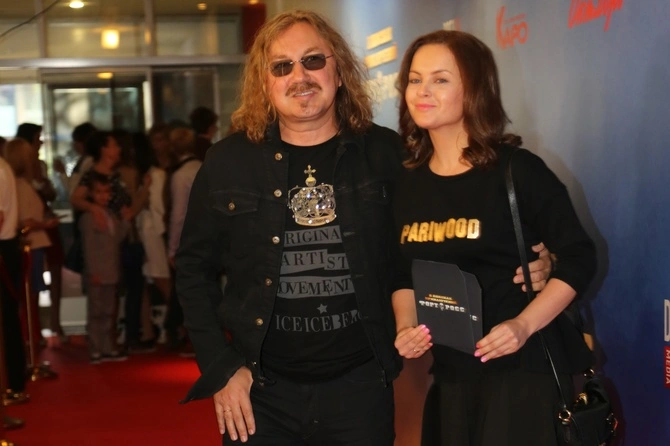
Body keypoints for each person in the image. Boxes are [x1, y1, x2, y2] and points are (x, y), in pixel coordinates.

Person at [176, 11, 552, 446]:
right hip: (259, 391)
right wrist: (221, 368)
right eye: (282, 66)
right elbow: (193, 270)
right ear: (265, 82)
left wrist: (529, 259)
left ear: (338, 71)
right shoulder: (227, 162)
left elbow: (443, 235)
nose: (299, 76)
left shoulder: (388, 154)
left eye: (313, 60)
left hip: (360, 389)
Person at [391, 30, 597, 446]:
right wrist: (406, 326)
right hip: (450, 377)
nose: (423, 91)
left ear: (474, 89)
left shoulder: (517, 170)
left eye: (440, 79)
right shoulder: (406, 185)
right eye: (415, 80)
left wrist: (523, 325)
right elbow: (401, 273)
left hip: (521, 372)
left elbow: (579, 258)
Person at [4, 138, 60, 347]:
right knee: (29, 295)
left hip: (34, 244)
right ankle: (30, 336)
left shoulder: (22, 184)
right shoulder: (18, 185)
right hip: (30, 245)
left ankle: (32, 335)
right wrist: (44, 224)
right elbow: (23, 221)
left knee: (32, 295)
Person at [79, 176, 129, 363]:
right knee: (96, 311)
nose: (103, 196)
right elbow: (88, 248)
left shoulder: (110, 215)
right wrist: (93, 272)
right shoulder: (88, 218)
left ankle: (107, 346)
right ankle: (96, 347)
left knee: (109, 311)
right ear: (91, 194)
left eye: (106, 192)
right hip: (98, 272)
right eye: (99, 192)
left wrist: (125, 221)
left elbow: (117, 239)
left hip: (111, 270)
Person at [0, 150, 29, 404]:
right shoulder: (3, 167)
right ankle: (14, 379)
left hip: (4, 248)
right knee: (8, 316)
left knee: (6, 318)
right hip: (7, 247)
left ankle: (11, 381)